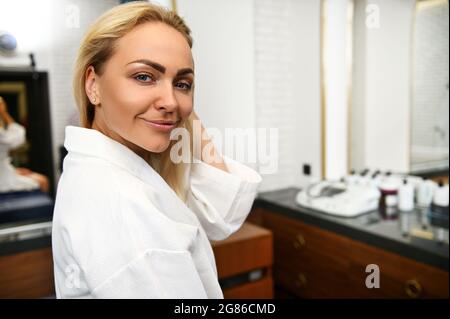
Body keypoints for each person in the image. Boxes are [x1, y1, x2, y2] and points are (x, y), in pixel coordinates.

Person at [52, 2, 262, 299]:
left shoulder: (116, 168)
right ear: (93, 85)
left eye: (183, 83)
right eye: (144, 76)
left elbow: (217, 218)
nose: (171, 101)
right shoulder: (121, 202)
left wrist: (184, 120)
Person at [0, 96, 44, 193]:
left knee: (30, 174)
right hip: (2, 180)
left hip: (4, 172)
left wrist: (15, 171)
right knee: (43, 181)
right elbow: (19, 138)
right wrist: (4, 113)